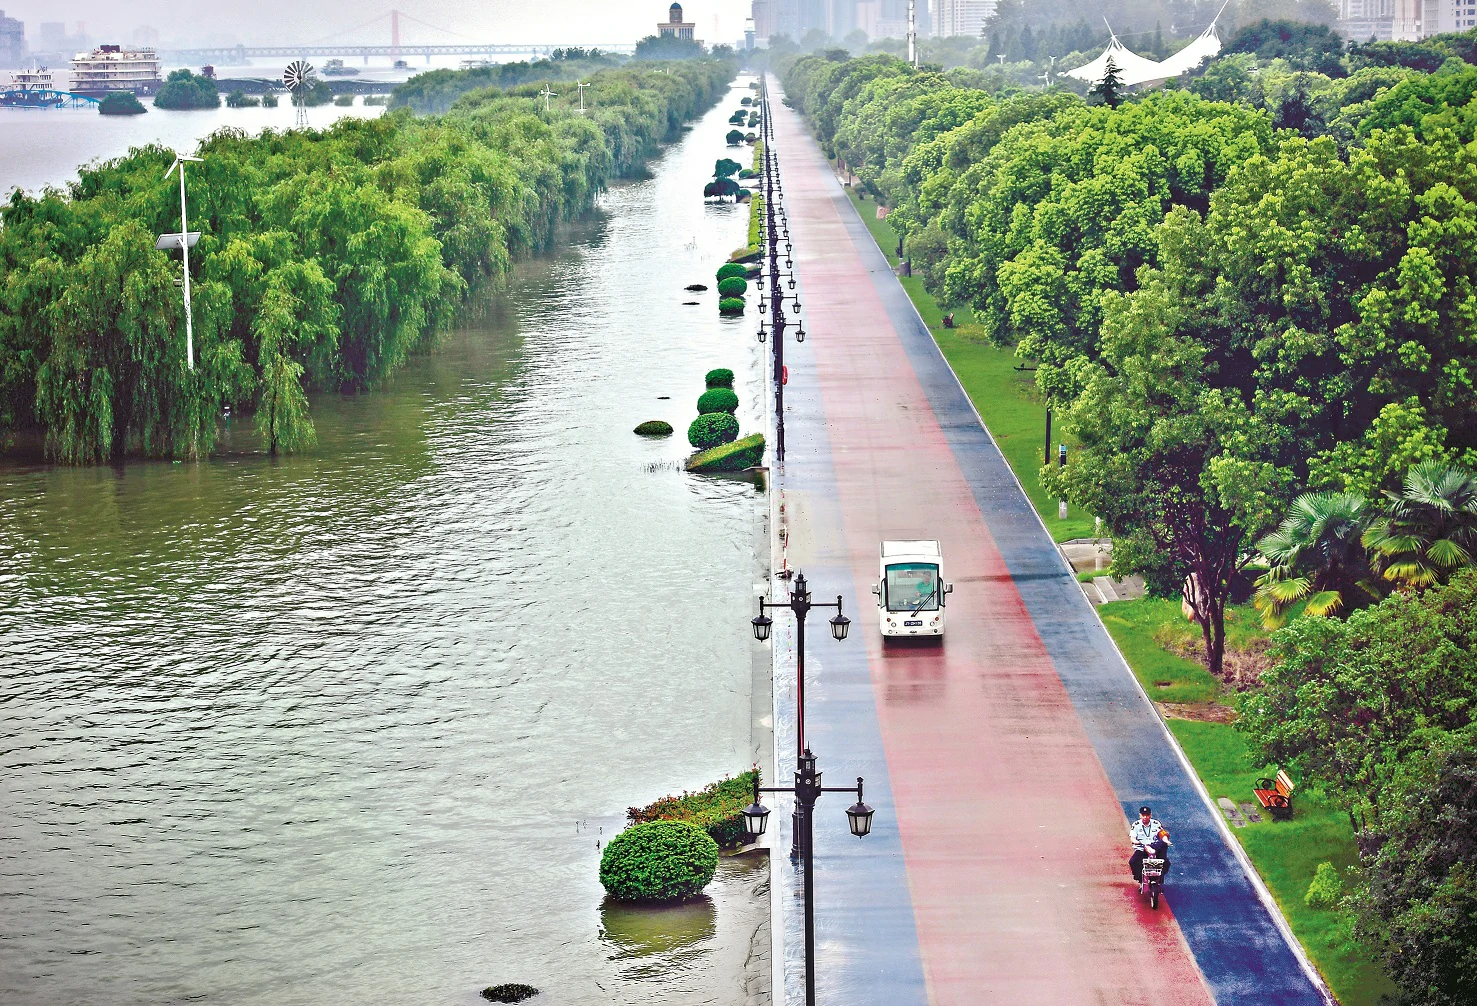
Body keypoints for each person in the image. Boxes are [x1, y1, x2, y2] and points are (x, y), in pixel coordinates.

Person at [1128, 805, 1170, 883]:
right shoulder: (1136, 825)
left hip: (1155, 848)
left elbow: (1162, 834)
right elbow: (1132, 837)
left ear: (1150, 815)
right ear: (1140, 815)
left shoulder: (1156, 823)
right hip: (1142, 848)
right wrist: (1136, 842)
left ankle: (1159, 878)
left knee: (1166, 863)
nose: (1145, 817)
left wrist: (1166, 840)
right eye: (1143, 815)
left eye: (1147, 815)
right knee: (1133, 862)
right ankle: (1140, 878)